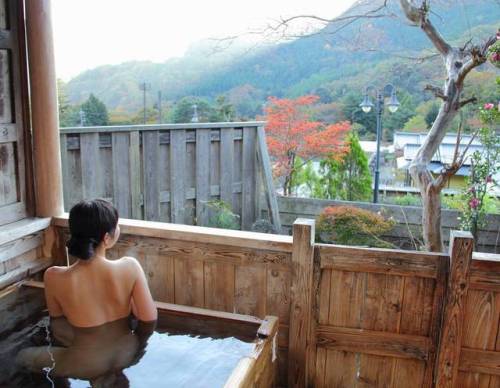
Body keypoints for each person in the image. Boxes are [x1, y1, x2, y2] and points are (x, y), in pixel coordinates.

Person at [17, 199, 157, 385]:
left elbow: (58, 327)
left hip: (86, 362)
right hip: (127, 352)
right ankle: (104, 377)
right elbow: (149, 319)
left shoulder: (54, 277)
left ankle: (99, 376)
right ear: (107, 238)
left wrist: (87, 348)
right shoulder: (130, 267)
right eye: (116, 226)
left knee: (22, 356)